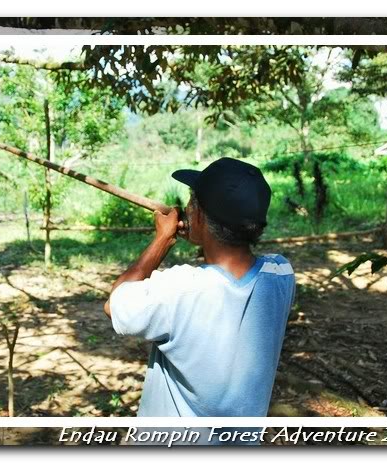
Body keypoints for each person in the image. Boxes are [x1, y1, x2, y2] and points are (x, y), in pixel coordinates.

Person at [104, 157, 295, 445]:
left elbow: (115, 303)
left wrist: (162, 240)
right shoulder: (281, 274)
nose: (187, 207)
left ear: (201, 217)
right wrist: (202, 231)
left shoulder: (180, 289)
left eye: (192, 202)